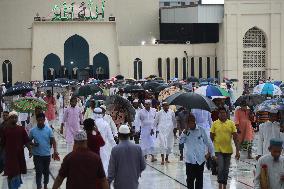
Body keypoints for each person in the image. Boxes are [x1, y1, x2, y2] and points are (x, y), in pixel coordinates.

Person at [180, 113, 215, 189]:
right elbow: (180, 142)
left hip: (200, 159)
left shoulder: (201, 130)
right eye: (188, 123)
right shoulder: (185, 132)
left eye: (191, 122)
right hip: (189, 160)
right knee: (190, 180)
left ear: (194, 121)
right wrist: (184, 132)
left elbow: (209, 142)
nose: (190, 125)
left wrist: (212, 154)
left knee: (199, 180)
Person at [108, 125, 146, 189]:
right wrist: (136, 173)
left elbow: (111, 170)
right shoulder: (137, 148)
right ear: (129, 135)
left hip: (119, 185)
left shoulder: (115, 149)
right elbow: (143, 166)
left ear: (119, 135)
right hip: (133, 184)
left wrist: (108, 182)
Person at [210, 107, 240, 189]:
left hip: (228, 150)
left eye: (224, 113)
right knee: (220, 168)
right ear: (218, 114)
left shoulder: (231, 123)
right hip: (217, 150)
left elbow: (235, 138)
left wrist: (237, 151)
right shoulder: (215, 124)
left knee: (226, 170)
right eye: (221, 113)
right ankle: (220, 184)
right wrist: (209, 151)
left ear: (226, 114)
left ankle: (224, 185)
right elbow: (211, 138)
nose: (223, 114)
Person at [2, 111, 31, 189]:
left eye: (15, 117)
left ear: (17, 118)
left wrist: (30, 150)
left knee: (17, 172)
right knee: (10, 173)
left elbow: (26, 141)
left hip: (19, 155)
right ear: (9, 119)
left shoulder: (21, 129)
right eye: (12, 117)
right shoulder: (5, 130)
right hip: (9, 156)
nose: (14, 119)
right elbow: (2, 143)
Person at [29, 113, 58, 189]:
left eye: (42, 120)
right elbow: (28, 141)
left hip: (46, 155)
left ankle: (45, 185)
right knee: (38, 172)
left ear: (44, 120)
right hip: (37, 155)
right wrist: (33, 144)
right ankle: (39, 186)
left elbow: (53, 141)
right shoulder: (33, 131)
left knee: (46, 172)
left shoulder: (49, 130)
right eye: (39, 120)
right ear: (37, 120)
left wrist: (55, 151)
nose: (40, 122)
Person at [93, 108, 116, 175]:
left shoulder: (91, 123)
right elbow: (111, 138)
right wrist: (115, 147)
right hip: (104, 148)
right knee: (104, 165)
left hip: (92, 148)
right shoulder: (105, 124)